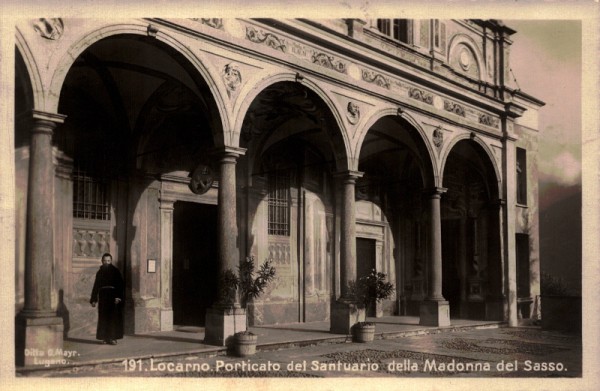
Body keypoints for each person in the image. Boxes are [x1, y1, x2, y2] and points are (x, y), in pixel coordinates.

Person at [90, 253, 124, 345]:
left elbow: (120, 285)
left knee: (112, 318)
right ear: (102, 261)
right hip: (103, 297)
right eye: (105, 261)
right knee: (103, 318)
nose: (107, 263)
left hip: (113, 297)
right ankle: (104, 337)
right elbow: (96, 286)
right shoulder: (99, 272)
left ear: (111, 261)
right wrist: (93, 299)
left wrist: (118, 297)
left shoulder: (116, 271)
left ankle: (112, 338)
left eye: (108, 261)